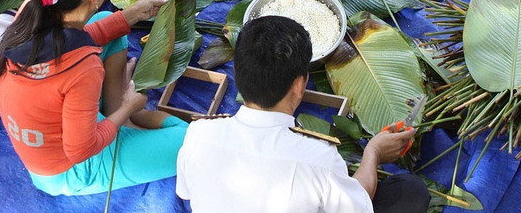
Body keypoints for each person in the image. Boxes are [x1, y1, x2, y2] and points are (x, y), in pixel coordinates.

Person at [176, 16, 431, 213]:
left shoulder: (198, 134)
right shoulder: (317, 158)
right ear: (299, 85)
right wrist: (372, 153)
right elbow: (356, 204)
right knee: (411, 191)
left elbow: (187, 194)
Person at [0, 0, 187, 196]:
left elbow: (81, 38)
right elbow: (81, 150)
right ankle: (125, 118)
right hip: (70, 168)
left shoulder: (33, 9)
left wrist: (130, 15)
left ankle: (119, 115)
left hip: (57, 133)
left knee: (107, 23)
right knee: (187, 142)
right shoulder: (84, 67)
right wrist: (128, 106)